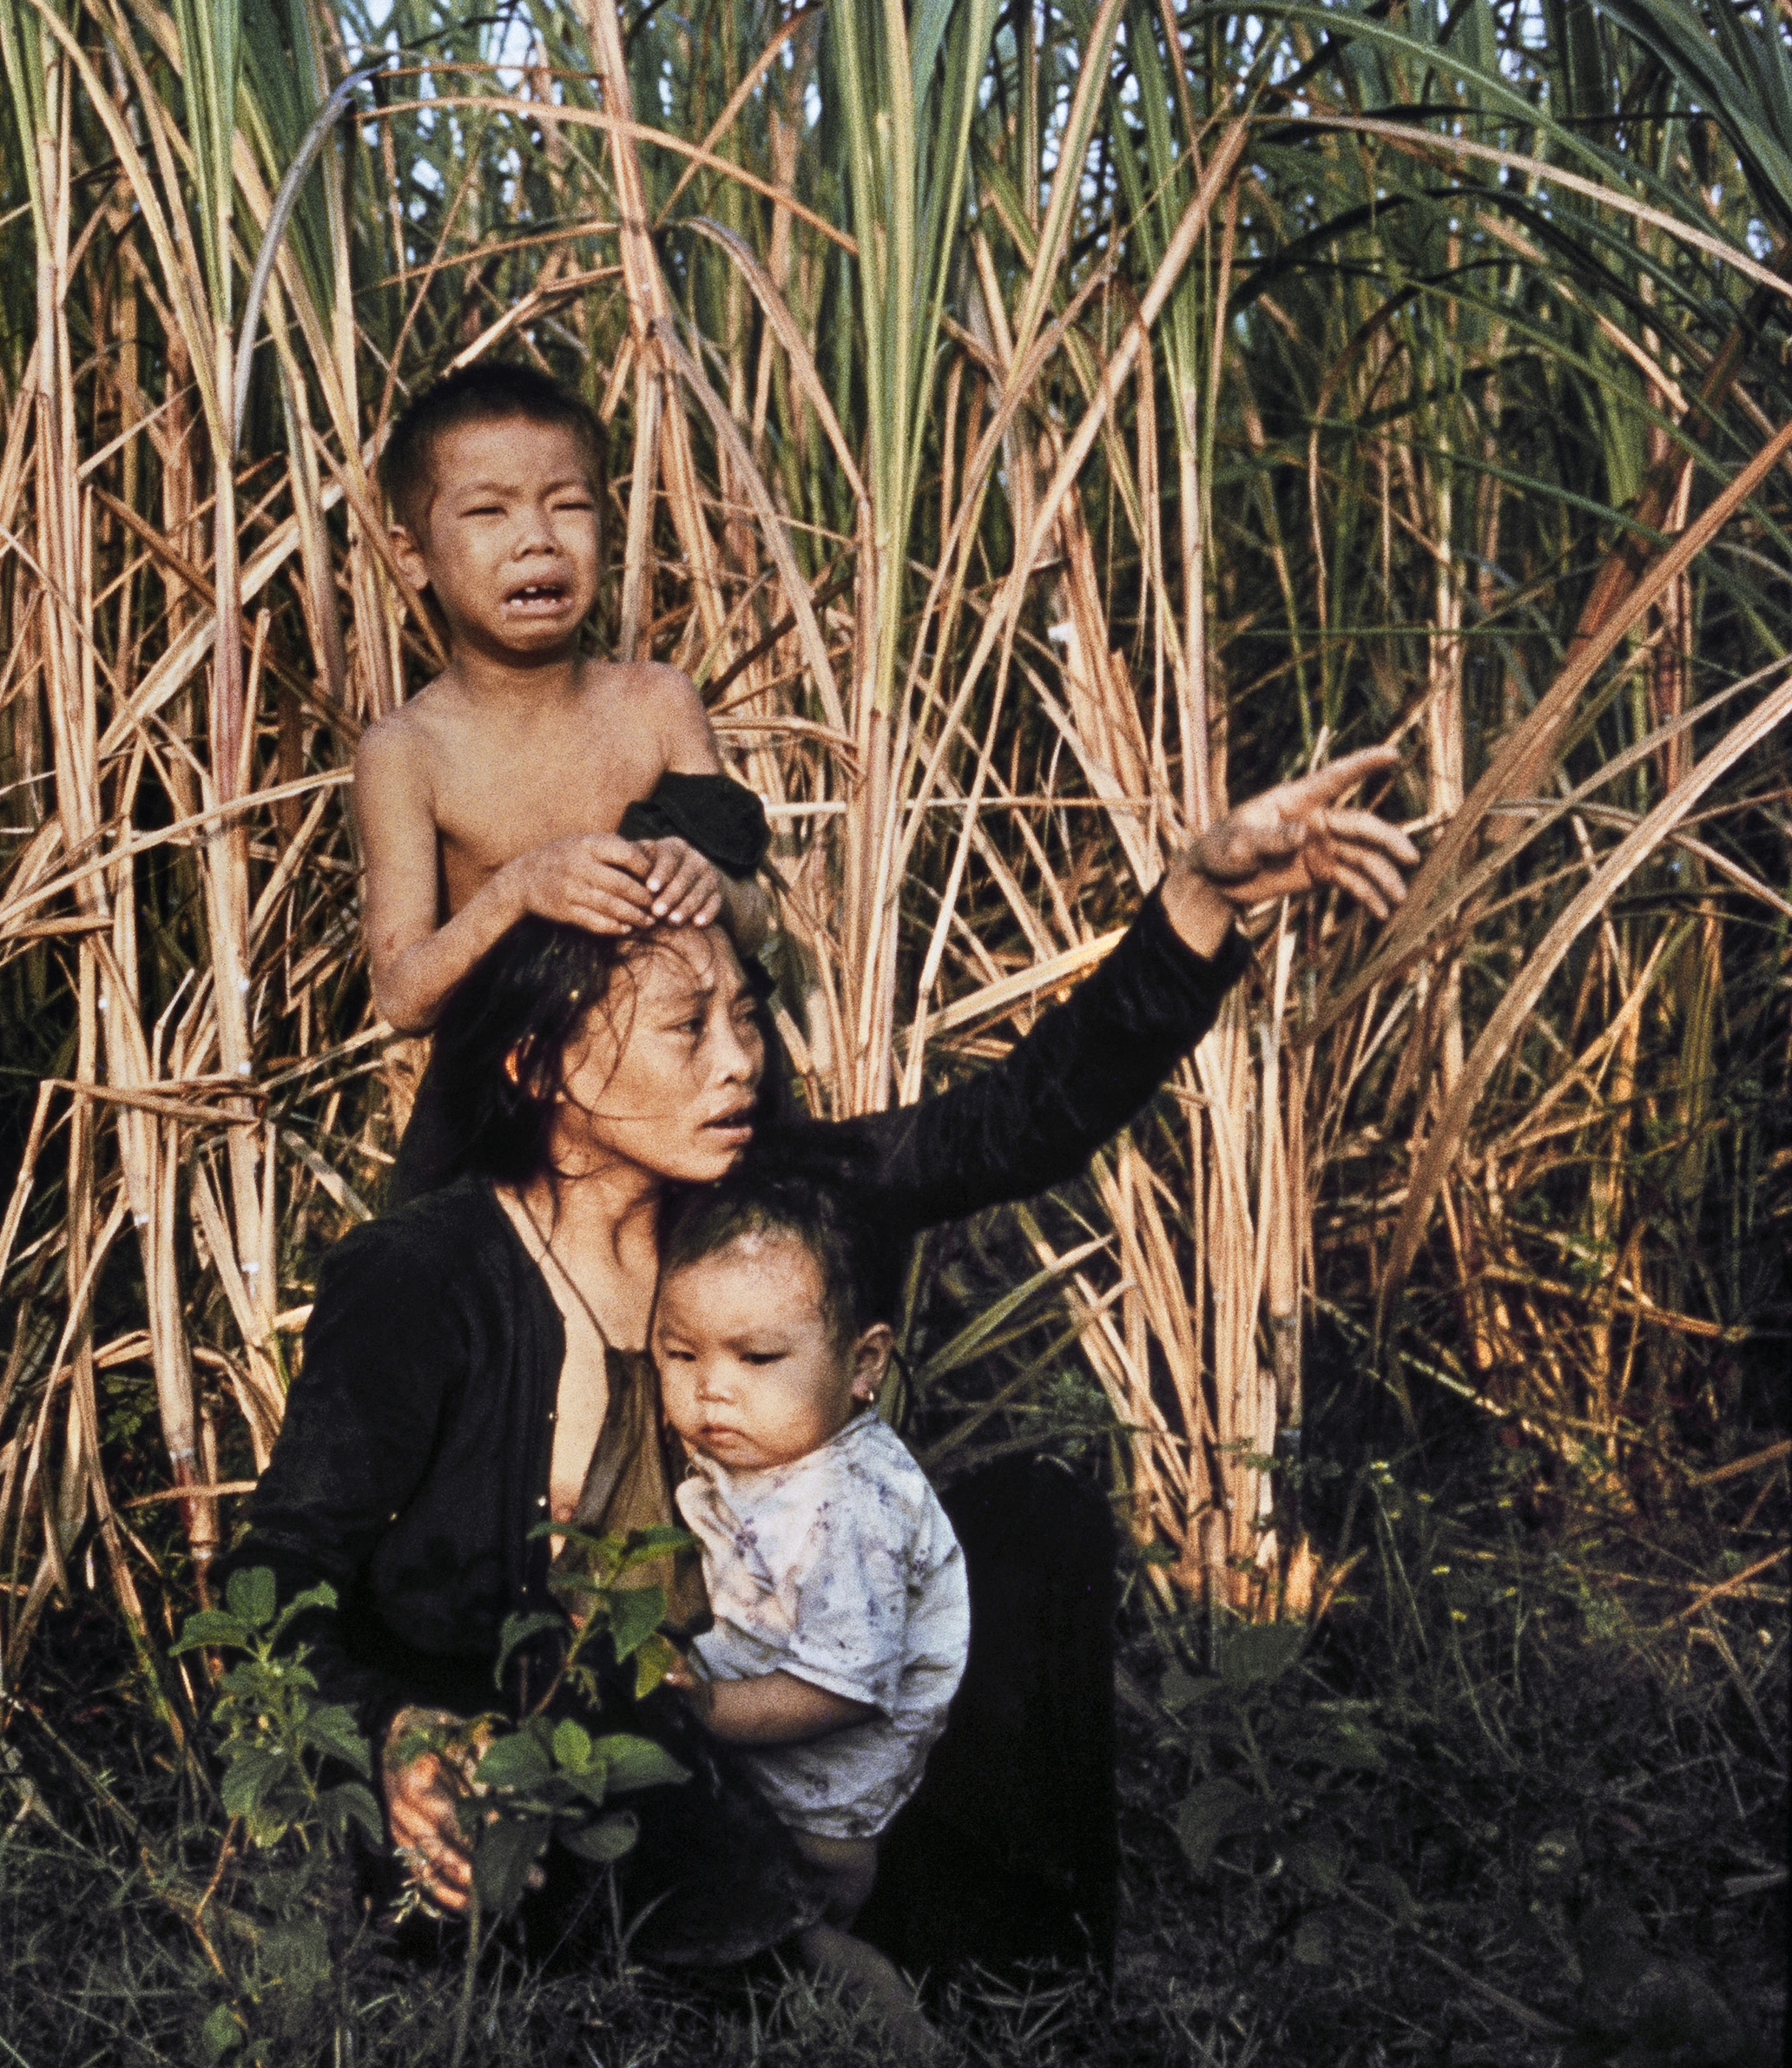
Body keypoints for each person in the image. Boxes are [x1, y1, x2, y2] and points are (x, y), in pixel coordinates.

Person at [216, 748, 1416, 1972]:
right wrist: (392, 1730)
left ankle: (1017, 1978)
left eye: (745, 1015)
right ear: (543, 1068)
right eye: (688, 1028)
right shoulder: (427, 1278)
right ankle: (792, 1964)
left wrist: (1201, 895)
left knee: (1034, 1520)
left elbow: (1016, 1121)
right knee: (615, 1718)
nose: (739, 1060)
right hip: (558, 1783)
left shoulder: (769, 1213)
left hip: (784, 1749)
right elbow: (271, 1579)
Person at [351, 365, 772, 1201]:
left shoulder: (656, 704)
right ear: (414, 554)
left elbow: (757, 923)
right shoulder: (409, 750)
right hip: (509, 1119)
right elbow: (401, 993)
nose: (538, 538)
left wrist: (712, 883)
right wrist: (519, 889)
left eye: (568, 505)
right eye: (488, 510)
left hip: (680, 1100)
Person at [656, 1170, 966, 2037]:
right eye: (682, 1354)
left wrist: (708, 1708)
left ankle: (894, 2024)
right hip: (778, 1769)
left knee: (805, 1942)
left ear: (864, 1362)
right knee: (755, 1962)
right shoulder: (774, 1446)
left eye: (755, 1357)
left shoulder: (849, 1507)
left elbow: (843, 1683)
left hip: (821, 1807)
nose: (711, 1385)